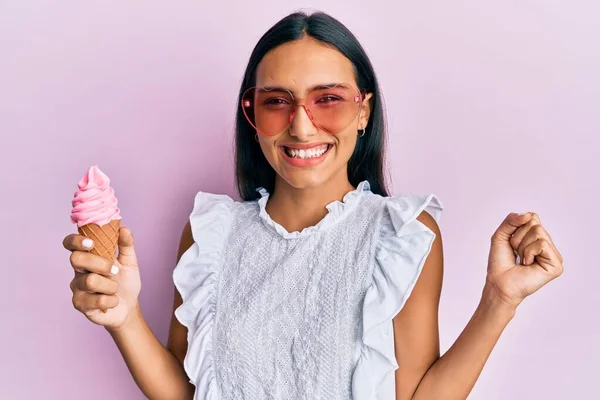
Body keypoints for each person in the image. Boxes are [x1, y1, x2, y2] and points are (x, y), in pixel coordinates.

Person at [62, 11, 564, 400]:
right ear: (251, 113)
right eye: (276, 101)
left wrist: (500, 301)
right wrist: (123, 316)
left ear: (364, 110)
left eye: (328, 98)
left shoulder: (401, 234)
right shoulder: (212, 234)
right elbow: (186, 392)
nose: (301, 127)